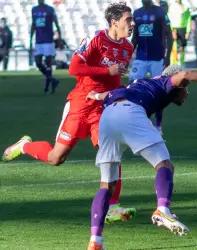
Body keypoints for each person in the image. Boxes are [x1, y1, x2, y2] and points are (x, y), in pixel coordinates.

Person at [3, 3, 136, 223]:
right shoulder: (95, 39)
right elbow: (74, 68)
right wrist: (107, 70)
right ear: (114, 22)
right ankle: (24, 146)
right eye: (128, 20)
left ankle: (113, 205)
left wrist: (120, 94)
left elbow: (114, 79)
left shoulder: (127, 48)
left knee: (110, 153)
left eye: (131, 20)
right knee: (56, 158)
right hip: (79, 104)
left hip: (101, 109)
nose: (132, 24)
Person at [86, 65, 197, 249]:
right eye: (185, 88)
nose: (186, 93)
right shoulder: (165, 82)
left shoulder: (136, 84)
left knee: (106, 184)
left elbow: (103, 95)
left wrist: (94, 95)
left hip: (107, 118)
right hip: (130, 113)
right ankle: (163, 210)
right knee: (164, 164)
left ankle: (96, 240)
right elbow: (186, 73)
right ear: (178, 85)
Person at [130, 0, 171, 81]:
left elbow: (169, 36)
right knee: (133, 83)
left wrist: (168, 56)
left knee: (157, 85)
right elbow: (135, 38)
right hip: (140, 57)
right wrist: (128, 57)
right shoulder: (136, 13)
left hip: (157, 58)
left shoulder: (160, 11)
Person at [30, 0, 61, 94]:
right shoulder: (34, 9)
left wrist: (59, 39)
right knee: (38, 62)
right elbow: (33, 24)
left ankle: (48, 87)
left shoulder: (50, 9)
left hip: (48, 40)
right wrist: (30, 39)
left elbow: (56, 24)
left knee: (48, 64)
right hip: (38, 40)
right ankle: (52, 80)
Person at [168, 0, 191, 66]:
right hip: (174, 29)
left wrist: (188, 31)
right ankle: (173, 65)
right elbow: (169, 19)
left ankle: (181, 64)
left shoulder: (186, 7)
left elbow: (189, 19)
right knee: (174, 48)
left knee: (182, 48)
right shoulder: (172, 6)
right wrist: (172, 30)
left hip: (183, 29)